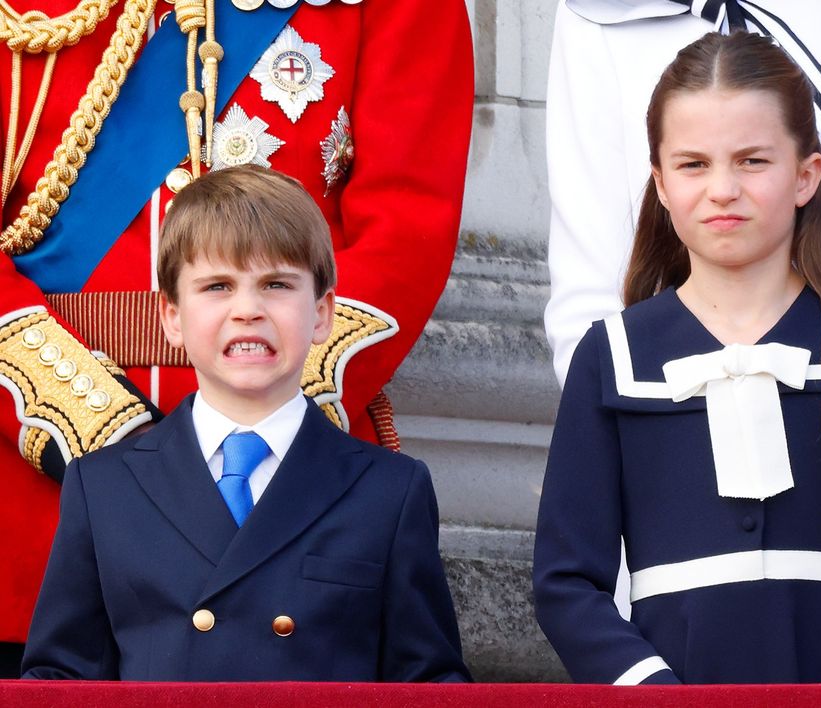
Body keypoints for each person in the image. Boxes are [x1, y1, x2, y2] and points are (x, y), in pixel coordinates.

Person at [0, 0, 473, 671]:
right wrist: (103, 431)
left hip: (293, 504)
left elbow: (407, 232)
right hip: (39, 492)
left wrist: (266, 428)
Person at [543, 0, 821, 679]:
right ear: (659, 181)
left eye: (753, 161)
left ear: (807, 175)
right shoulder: (613, 358)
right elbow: (568, 581)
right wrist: (648, 686)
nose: (723, 190)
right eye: (692, 166)